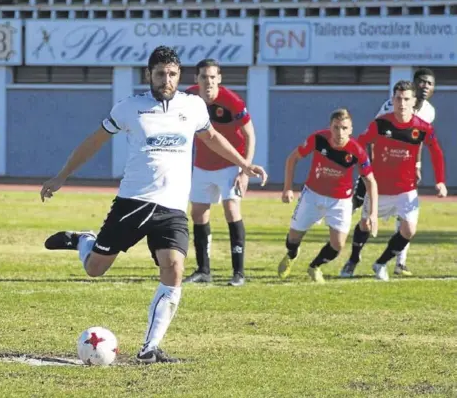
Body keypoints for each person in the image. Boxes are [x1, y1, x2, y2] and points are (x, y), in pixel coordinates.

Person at [40, 46, 267, 364]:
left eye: (172, 73)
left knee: (174, 268)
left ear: (179, 75)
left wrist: (244, 164)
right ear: (149, 75)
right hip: (133, 202)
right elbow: (95, 140)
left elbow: (212, 137)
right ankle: (83, 240)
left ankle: (150, 347)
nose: (166, 79)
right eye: (160, 73)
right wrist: (62, 175)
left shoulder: (194, 106)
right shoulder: (129, 108)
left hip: (172, 208)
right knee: (95, 269)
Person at [340, 80, 447, 281]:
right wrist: (360, 170)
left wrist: (440, 181)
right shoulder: (380, 124)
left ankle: (380, 263)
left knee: (409, 230)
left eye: (406, 99)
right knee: (364, 225)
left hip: (406, 189)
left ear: (414, 101)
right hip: (379, 188)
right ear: (393, 99)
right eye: (398, 98)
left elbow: (436, 152)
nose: (402, 103)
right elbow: (360, 145)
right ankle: (353, 260)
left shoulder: (422, 128)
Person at [277, 109, 378, 283]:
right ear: (330, 127)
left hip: (340, 200)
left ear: (351, 129)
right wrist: (287, 188)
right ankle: (292, 254)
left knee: (338, 245)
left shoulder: (357, 151)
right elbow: (292, 158)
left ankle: (314, 266)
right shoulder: (318, 139)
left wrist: (373, 213)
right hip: (312, 195)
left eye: (344, 128)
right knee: (293, 239)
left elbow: (371, 181)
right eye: (336, 127)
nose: (340, 133)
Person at [182, 59, 255, 287]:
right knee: (198, 214)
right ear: (197, 79)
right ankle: (204, 270)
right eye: (204, 77)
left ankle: (238, 273)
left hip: (231, 165)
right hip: (202, 166)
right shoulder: (188, 98)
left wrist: (244, 169)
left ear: (219, 79)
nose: (208, 81)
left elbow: (250, 135)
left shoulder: (232, 101)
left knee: (231, 209)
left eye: (213, 77)